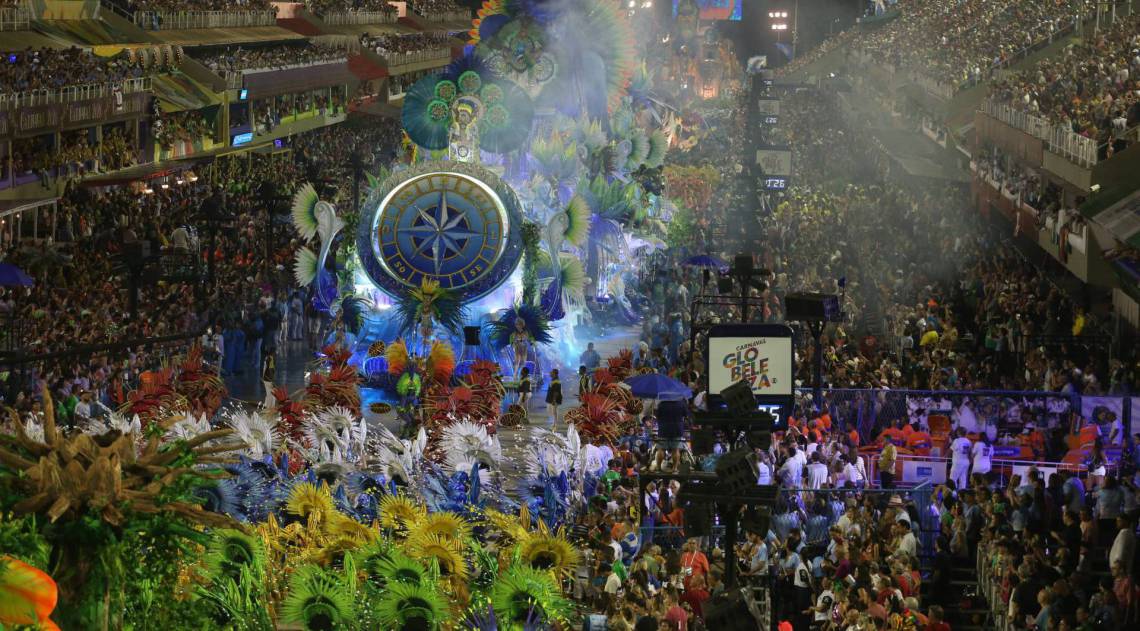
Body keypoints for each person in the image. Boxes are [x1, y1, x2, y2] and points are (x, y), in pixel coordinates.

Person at [654, 398, 688, 473]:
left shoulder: (662, 404)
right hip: (677, 429)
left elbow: (657, 416)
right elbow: (686, 414)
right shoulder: (681, 403)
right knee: (675, 449)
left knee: (661, 449)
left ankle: (658, 468)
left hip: (663, 429)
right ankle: (674, 468)